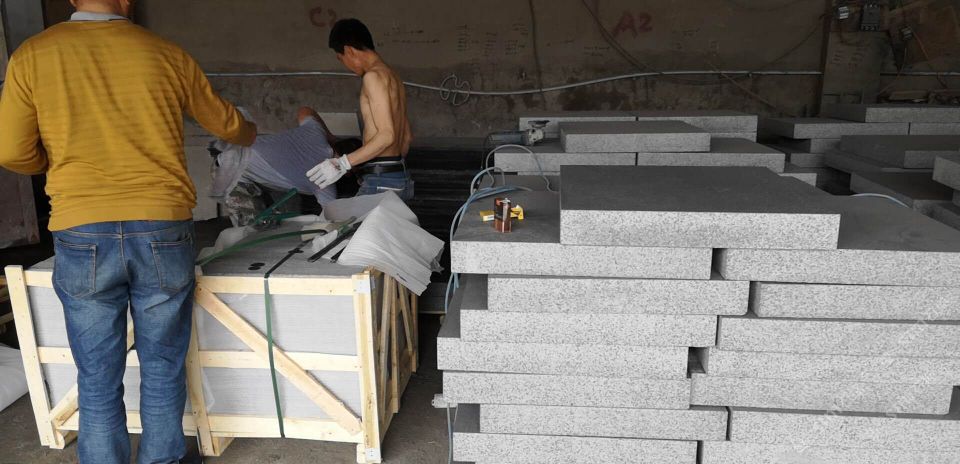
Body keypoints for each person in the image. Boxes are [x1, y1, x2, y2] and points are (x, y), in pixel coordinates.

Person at [0, 1, 256, 463]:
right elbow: (229, 125)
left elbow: (13, 152)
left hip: (81, 227)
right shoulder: (166, 53)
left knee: (97, 374)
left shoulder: (32, 55)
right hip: (161, 224)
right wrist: (250, 131)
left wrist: (57, 164)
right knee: (163, 365)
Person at [307, 18, 415, 200]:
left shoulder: (373, 77)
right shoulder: (393, 77)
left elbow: (387, 135)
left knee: (347, 220)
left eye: (341, 58)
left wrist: (343, 163)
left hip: (382, 181)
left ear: (349, 50)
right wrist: (384, 170)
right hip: (397, 177)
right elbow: (407, 137)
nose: (345, 65)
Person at [210, 106, 363, 226]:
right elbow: (333, 214)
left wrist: (328, 135)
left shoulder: (315, 131)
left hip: (233, 153)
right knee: (253, 229)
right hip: (232, 175)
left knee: (280, 207)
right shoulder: (324, 179)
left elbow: (305, 110)